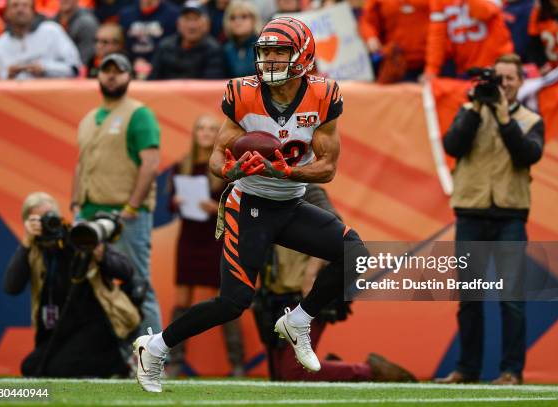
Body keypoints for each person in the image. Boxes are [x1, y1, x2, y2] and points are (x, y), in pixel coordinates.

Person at [132, 16, 369, 393]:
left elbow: (326, 170)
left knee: (355, 253)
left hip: (290, 203)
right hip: (250, 205)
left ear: (303, 55)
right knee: (233, 302)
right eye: (266, 52)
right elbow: (216, 158)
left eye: (280, 52)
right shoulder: (243, 93)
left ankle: (299, 320)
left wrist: (285, 173)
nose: (271, 60)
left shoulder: (323, 95)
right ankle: (154, 347)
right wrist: (234, 168)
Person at [435, 54, 544, 385]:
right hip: (471, 212)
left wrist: (502, 117)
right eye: (499, 78)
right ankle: (467, 370)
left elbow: (528, 154)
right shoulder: (469, 112)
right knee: (470, 298)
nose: (504, 84)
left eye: (510, 79)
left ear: (521, 83)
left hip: (510, 215)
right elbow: (452, 145)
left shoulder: (530, 119)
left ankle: (511, 371)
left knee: (511, 298)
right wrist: (477, 109)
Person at [254, 184, 416, 382]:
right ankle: (336, 366)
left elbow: (336, 231)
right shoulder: (262, 189)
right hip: (273, 296)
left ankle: (368, 371)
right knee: (279, 376)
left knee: (292, 373)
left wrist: (311, 273)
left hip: (304, 295)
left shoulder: (308, 189)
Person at [71, 53, 163, 337]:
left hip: (123, 216)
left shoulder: (139, 114)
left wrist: (132, 207)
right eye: (105, 71)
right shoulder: (88, 118)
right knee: (88, 287)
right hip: (88, 214)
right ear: (97, 76)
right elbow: (81, 163)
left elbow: (150, 164)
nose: (111, 76)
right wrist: (75, 204)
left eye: (118, 71)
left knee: (137, 284)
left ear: (129, 77)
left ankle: (155, 356)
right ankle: (107, 357)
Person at [4, 192, 141, 377]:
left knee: (58, 370)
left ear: (59, 215)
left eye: (50, 216)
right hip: (60, 329)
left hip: (97, 323)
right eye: (38, 219)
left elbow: (127, 272)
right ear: (27, 223)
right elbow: (12, 287)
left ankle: (120, 365)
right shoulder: (33, 249)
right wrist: (26, 243)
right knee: (30, 368)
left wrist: (102, 256)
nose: (46, 223)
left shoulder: (79, 236)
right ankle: (109, 365)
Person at [166, 114, 245, 377]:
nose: (206, 133)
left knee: (226, 300)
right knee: (181, 300)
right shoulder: (182, 165)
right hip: (189, 238)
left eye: (212, 129)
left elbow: (239, 206)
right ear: (194, 133)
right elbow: (168, 206)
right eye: (201, 128)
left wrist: (216, 208)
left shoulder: (227, 166)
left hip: (217, 239)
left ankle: (237, 365)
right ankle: (174, 361)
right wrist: (176, 201)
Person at [423, 0, 514, 79]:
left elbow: (482, 12)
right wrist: (432, 69)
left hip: (498, 65)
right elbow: (437, 35)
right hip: (466, 68)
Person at [0, 0, 81, 79]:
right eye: (15, 5)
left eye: (25, 5)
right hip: (16, 96)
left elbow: (74, 68)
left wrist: (45, 69)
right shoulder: (0, 45)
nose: (20, 10)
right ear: (6, 13)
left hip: (54, 94)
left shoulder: (52, 31)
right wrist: (9, 75)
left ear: (33, 11)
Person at [148, 1, 225, 80]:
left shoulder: (213, 50)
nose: (191, 25)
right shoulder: (165, 47)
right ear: (178, 23)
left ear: (207, 24)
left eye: (196, 19)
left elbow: (211, 86)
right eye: (187, 19)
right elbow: (151, 81)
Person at [360, 0, 430, 82]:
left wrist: (432, 69)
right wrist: (371, 37)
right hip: (395, 64)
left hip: (430, 63)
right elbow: (368, 21)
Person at [118, 0, 179, 78]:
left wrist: (153, 64)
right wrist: (133, 61)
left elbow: (175, 45)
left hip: (163, 69)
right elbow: (122, 44)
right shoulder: (126, 13)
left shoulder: (173, 14)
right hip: (130, 67)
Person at [54, 0, 99, 67]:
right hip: (53, 70)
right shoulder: (51, 22)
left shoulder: (86, 23)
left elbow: (85, 59)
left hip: (76, 72)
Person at [222, 0, 260, 78]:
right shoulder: (225, 50)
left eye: (244, 16)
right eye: (233, 18)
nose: (237, 21)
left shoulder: (263, 47)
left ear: (254, 20)